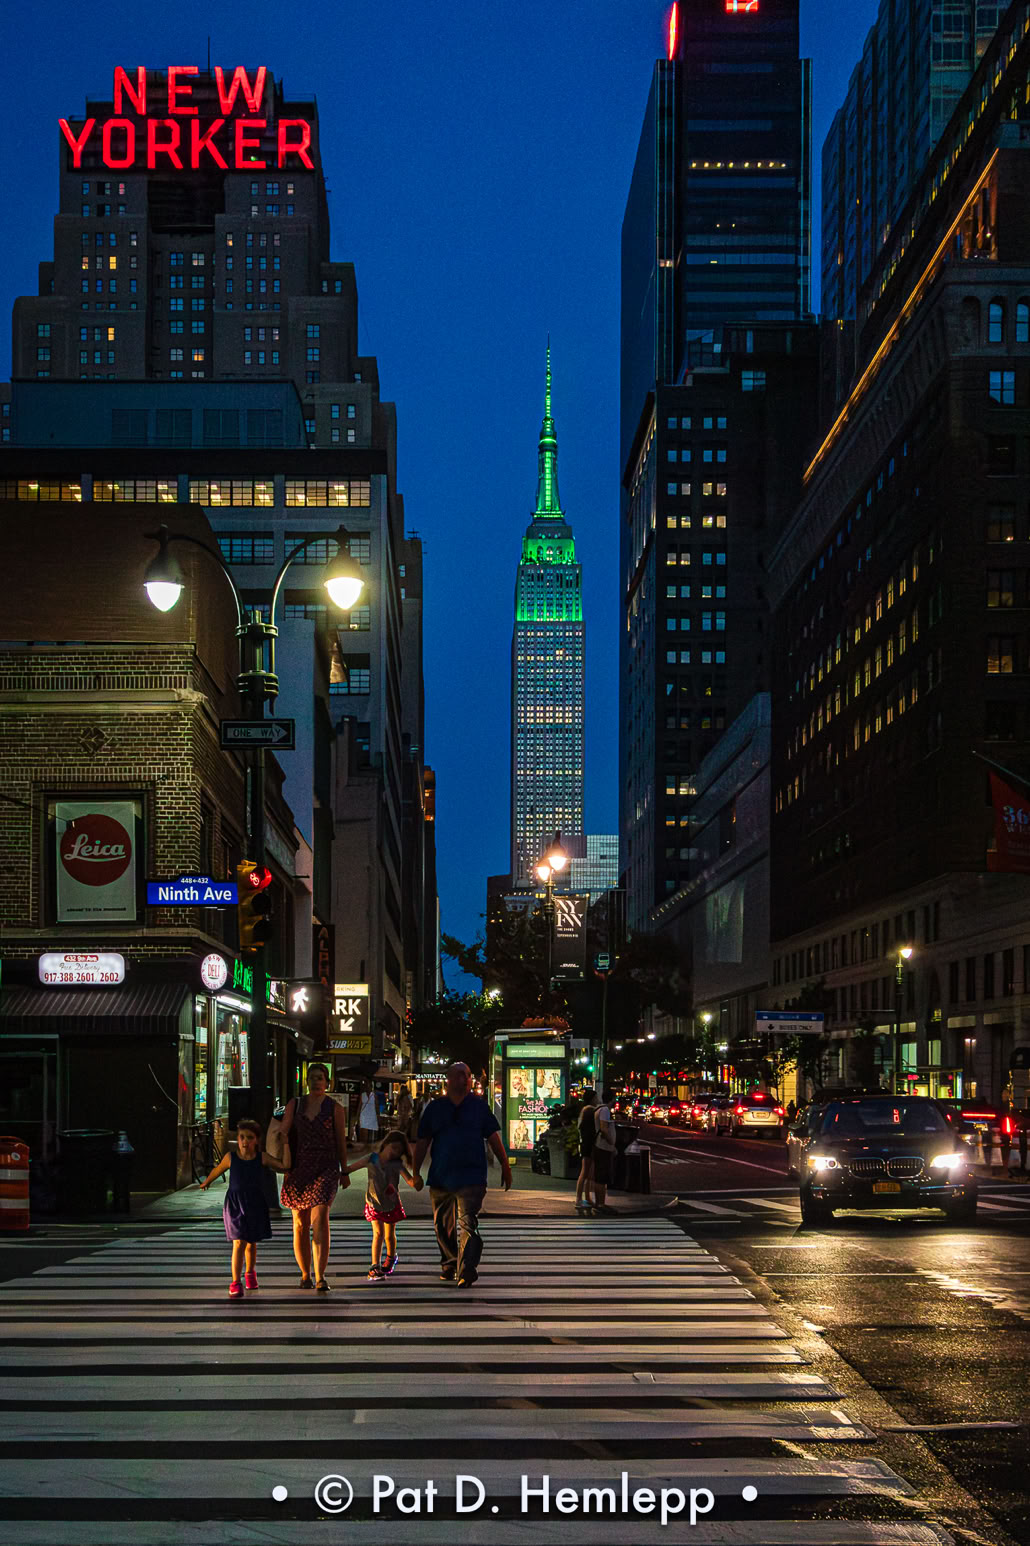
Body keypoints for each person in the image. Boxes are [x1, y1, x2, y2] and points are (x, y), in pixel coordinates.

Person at [413, 1061, 512, 1288]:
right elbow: (423, 1141)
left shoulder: (478, 1106)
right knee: (442, 1224)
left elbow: (493, 1136)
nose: (463, 1079)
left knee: (468, 1221)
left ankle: (467, 1267)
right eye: (458, 1075)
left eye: (467, 1075)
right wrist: (416, 1172)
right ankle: (449, 1263)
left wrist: (505, 1165)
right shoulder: (436, 1108)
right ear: (448, 1079)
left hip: (472, 1175)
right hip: (441, 1175)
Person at [279, 1063, 350, 1292]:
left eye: (320, 1078)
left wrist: (345, 1170)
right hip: (299, 1167)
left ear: (327, 1082)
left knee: (320, 1218)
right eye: (312, 1078)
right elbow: (283, 1131)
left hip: (326, 1167)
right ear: (306, 1081)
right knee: (300, 1223)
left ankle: (320, 1276)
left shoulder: (335, 1108)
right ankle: (304, 1274)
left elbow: (341, 1141)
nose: (316, 1082)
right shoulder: (295, 1104)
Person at [199, 1118, 285, 1298]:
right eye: (241, 1137)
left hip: (255, 1203)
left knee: (251, 1242)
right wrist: (207, 1181)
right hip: (235, 1204)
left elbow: (283, 1166)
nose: (245, 1142)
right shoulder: (231, 1158)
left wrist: (287, 1145)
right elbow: (218, 1169)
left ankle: (250, 1273)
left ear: (257, 1140)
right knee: (238, 1242)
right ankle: (236, 1281)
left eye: (250, 1138)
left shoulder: (262, 1157)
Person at [346, 1129, 424, 1279]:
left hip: (391, 1203)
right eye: (393, 1147)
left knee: (389, 1235)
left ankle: (391, 1256)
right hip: (373, 1202)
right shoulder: (372, 1159)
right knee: (378, 1233)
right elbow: (352, 1167)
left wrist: (416, 1180)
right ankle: (374, 1265)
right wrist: (343, 1173)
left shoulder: (397, 1164)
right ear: (386, 1144)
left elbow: (409, 1180)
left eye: (399, 1151)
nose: (394, 1153)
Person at [593, 1086, 617, 1210]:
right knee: (602, 1176)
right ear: (611, 1099)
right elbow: (604, 1128)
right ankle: (600, 1203)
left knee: (600, 1176)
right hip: (603, 1147)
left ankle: (600, 1202)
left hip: (601, 1146)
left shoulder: (599, 1109)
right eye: (615, 1099)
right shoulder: (605, 1111)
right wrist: (611, 1142)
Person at [575, 1088, 598, 1212]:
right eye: (596, 1098)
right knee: (585, 1172)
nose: (597, 1100)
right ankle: (579, 1198)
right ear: (592, 1099)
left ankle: (587, 1197)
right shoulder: (590, 1110)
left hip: (585, 1143)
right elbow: (591, 1129)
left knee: (588, 1172)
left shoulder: (585, 1110)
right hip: (588, 1144)